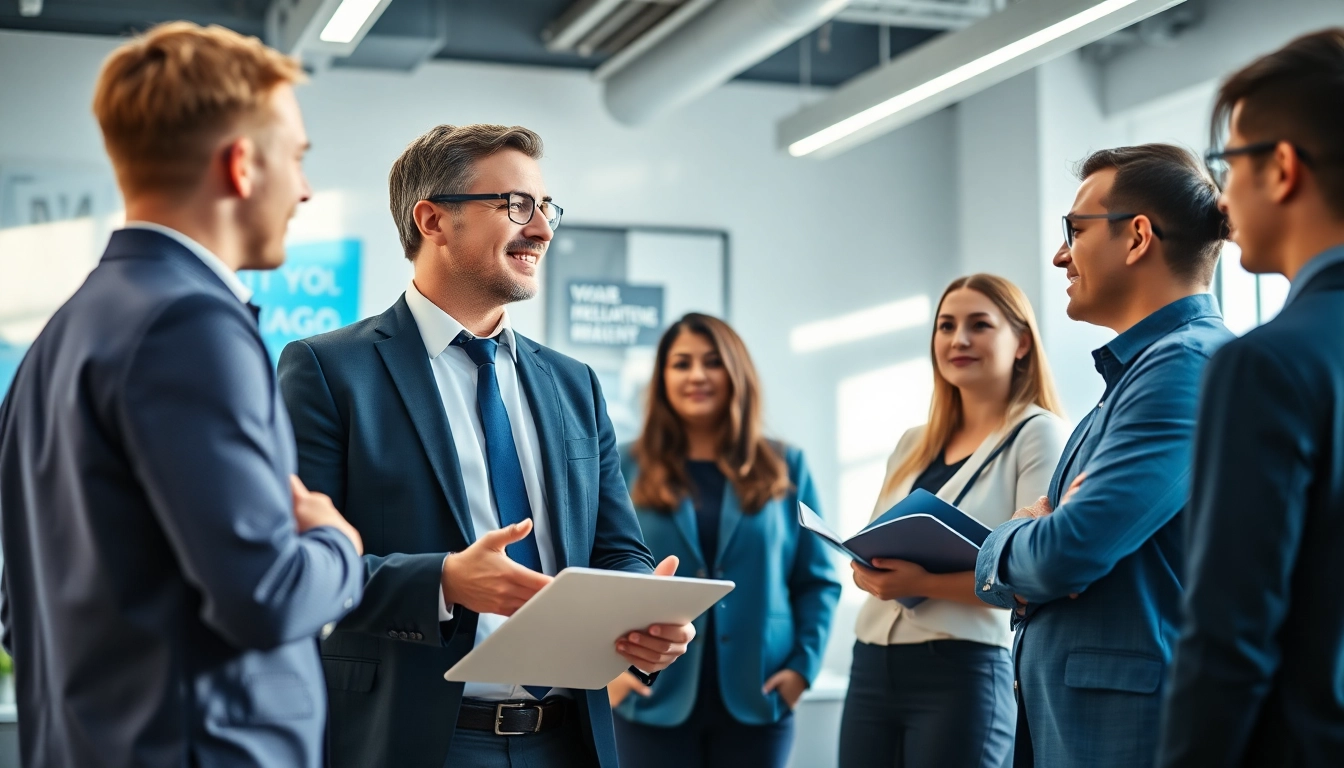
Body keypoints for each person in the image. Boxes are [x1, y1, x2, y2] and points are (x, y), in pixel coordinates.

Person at [0, 22, 365, 768]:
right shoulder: (191, 324)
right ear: (241, 166)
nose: (304, 189)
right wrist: (340, 546)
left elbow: (21, 609)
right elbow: (265, 595)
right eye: (296, 159)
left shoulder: (62, 334)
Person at [277, 123, 694, 768]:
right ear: (433, 220)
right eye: (516, 206)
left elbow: (618, 547)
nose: (543, 230)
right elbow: (298, 568)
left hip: (569, 740)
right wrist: (445, 580)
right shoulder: (329, 372)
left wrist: (645, 612)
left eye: (546, 208)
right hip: (415, 740)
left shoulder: (573, 384)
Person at [973, 144, 1233, 767]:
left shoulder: (1183, 365)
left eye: (1075, 230)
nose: (1061, 254)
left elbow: (1070, 548)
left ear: (1138, 237)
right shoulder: (1142, 371)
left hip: (1127, 731)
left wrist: (1003, 540)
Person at [1157, 29, 1344, 767]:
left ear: (1282, 169)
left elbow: (1227, 638)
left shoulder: (1265, 364)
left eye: (1227, 164)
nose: (1222, 194)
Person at [836, 274, 1067, 768]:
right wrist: (867, 568)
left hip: (961, 669)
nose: (958, 339)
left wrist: (924, 583)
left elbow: (1034, 576)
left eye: (979, 325)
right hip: (872, 661)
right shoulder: (912, 441)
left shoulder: (1038, 434)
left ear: (1022, 341)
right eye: (946, 326)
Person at [608, 313, 841, 768]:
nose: (697, 375)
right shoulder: (621, 464)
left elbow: (817, 581)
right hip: (648, 696)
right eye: (681, 363)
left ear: (735, 372)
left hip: (760, 696)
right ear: (663, 377)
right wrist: (604, 675)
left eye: (712, 362)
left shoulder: (786, 464)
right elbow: (594, 574)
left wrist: (801, 671)